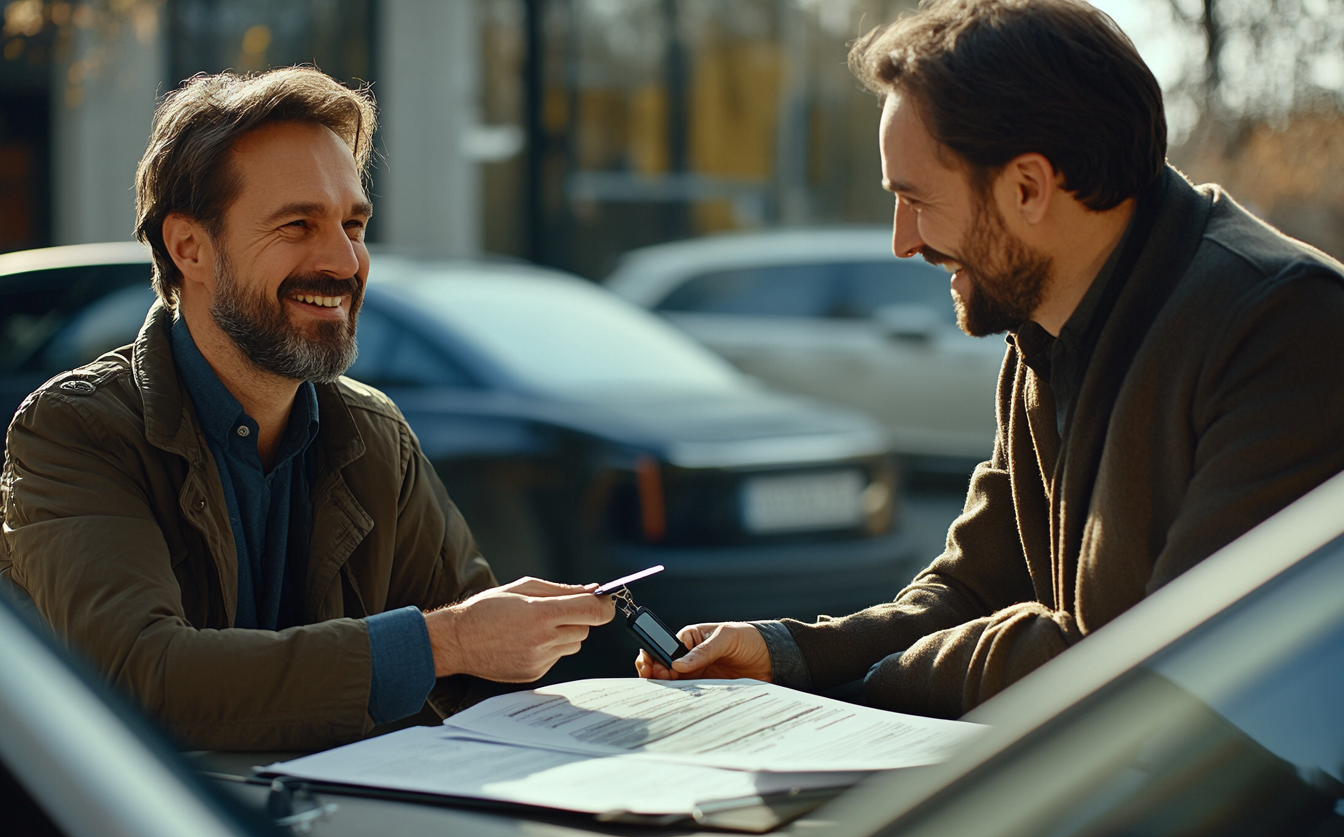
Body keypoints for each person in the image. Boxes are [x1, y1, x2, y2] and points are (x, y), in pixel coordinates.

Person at [637, 0, 1344, 717]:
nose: (901, 241)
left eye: (914, 199)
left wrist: (850, 690)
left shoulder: (1285, 325)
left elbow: (1164, 666)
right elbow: (975, 588)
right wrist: (791, 656)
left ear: (1029, 187)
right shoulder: (1043, 327)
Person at [0, 67, 614, 751]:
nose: (344, 260)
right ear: (189, 247)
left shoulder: (374, 433)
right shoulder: (74, 430)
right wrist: (450, 641)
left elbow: (480, 684)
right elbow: (141, 681)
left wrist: (646, 715)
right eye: (298, 224)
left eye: (353, 224)